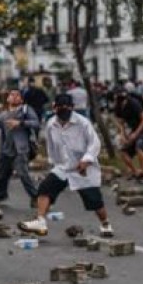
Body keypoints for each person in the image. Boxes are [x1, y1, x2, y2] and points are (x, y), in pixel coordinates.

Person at [18, 94, 113, 238]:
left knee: (94, 201)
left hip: (83, 168)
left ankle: (105, 223)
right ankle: (40, 221)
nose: (64, 111)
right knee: (45, 188)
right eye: (60, 108)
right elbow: (51, 146)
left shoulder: (83, 123)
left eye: (67, 108)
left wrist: (86, 160)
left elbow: (95, 144)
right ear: (54, 108)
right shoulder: (51, 124)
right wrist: (54, 163)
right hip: (63, 166)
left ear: (72, 108)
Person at [0, 89, 40, 207]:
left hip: (21, 148)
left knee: (23, 174)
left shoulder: (25, 110)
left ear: (21, 99)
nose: (14, 97)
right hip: (6, 150)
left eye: (17, 95)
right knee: (2, 174)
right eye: (12, 95)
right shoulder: (3, 115)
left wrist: (20, 123)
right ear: (8, 99)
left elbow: (36, 123)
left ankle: (35, 196)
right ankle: (2, 194)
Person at [113, 87, 143, 183]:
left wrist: (135, 134)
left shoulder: (134, 103)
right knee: (123, 151)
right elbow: (120, 122)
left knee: (139, 148)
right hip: (133, 130)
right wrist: (123, 135)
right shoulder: (117, 107)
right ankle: (135, 173)